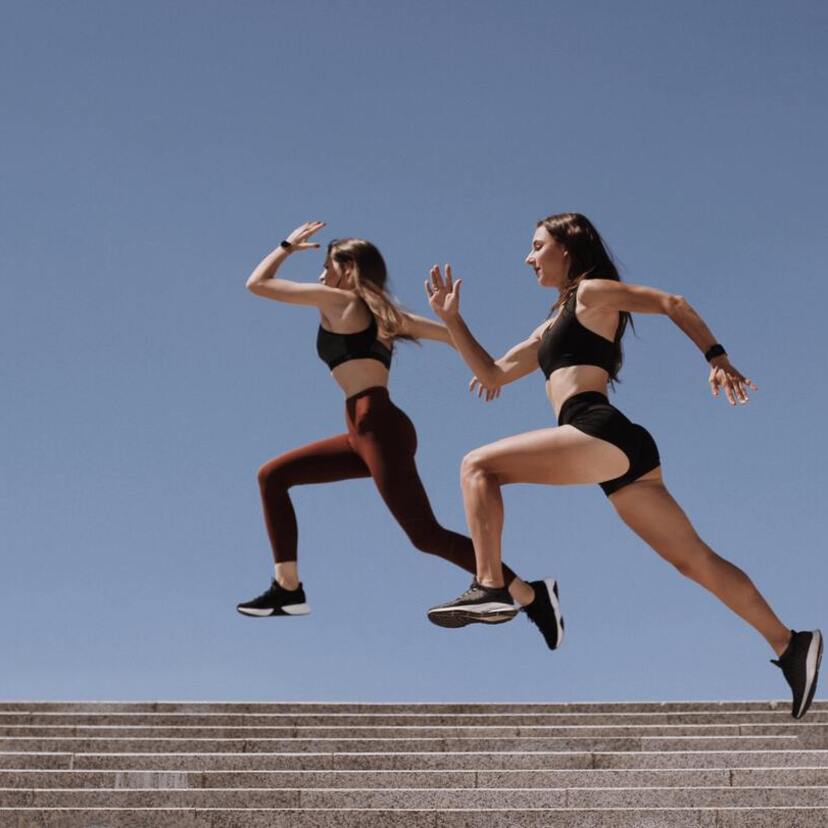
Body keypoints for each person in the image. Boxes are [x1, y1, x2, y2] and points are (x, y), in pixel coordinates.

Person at [423, 211, 821, 719]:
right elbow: (493, 374)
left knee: (477, 466)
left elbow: (671, 303)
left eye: (537, 245)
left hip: (597, 429)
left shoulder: (593, 293)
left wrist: (716, 356)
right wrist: (453, 319)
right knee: (692, 560)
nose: (528, 257)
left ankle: (492, 587)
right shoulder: (551, 323)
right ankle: (790, 644)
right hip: (619, 451)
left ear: (567, 248)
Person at [236, 221, 563, 650]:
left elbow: (257, 284)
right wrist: (489, 370)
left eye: (325, 265)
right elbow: (450, 336)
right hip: (364, 429)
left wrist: (285, 247)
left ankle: (531, 595)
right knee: (273, 476)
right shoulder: (390, 317)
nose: (319, 275)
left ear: (347, 267)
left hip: (379, 427)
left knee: (425, 535)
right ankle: (288, 588)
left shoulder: (338, 301)